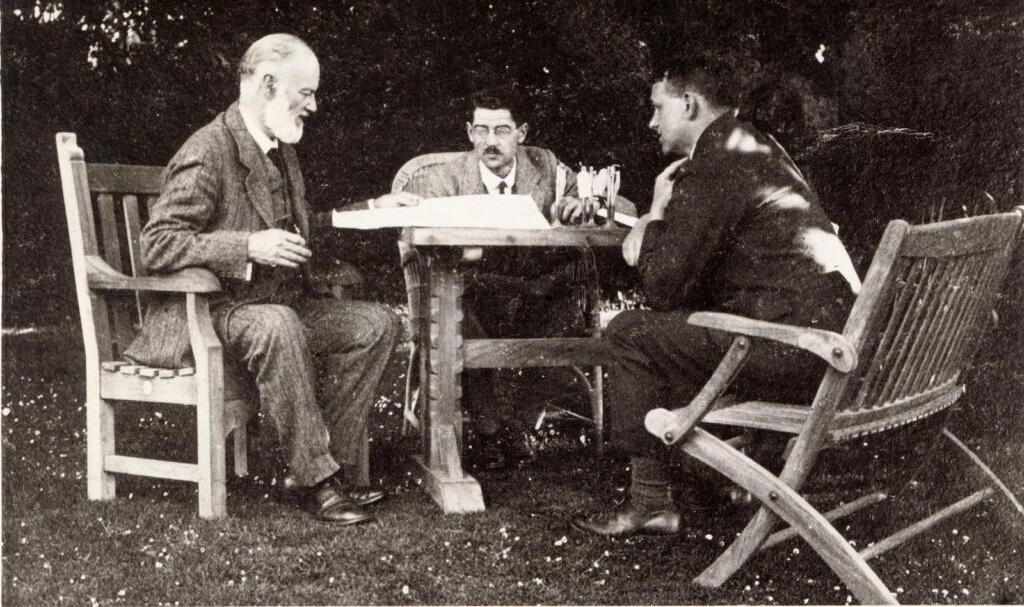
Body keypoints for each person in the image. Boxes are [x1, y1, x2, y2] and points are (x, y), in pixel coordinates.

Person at [123, 33, 420, 525]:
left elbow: (302, 231)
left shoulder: (279, 148)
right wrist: (246, 246)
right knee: (278, 324)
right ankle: (317, 483)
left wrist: (371, 208)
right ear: (267, 84)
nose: (314, 105)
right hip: (212, 311)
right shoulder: (209, 149)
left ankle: (331, 469)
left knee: (378, 324)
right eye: (306, 92)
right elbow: (156, 244)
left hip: (274, 305)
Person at [572, 57, 859, 537]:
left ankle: (650, 503)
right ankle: (712, 476)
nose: (650, 122)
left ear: (688, 103)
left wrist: (652, 216)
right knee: (683, 326)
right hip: (826, 342)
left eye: (656, 108)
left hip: (795, 351)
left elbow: (662, 287)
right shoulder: (755, 145)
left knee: (628, 332)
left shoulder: (717, 162)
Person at [404, 88, 591, 469]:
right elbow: (418, 232)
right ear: (470, 132)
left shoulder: (547, 166)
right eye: (482, 131)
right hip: (477, 288)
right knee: (457, 310)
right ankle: (489, 429)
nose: (491, 142)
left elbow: (589, 201)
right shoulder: (443, 179)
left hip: (534, 292)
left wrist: (576, 208)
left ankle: (519, 423)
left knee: (569, 301)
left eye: (502, 130)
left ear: (521, 133)